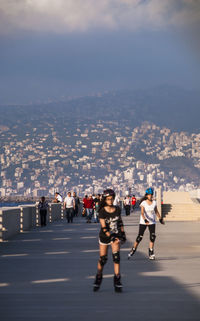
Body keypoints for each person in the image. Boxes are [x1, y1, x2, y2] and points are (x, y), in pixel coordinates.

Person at [93, 189, 126, 292]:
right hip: (104, 237)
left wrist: (123, 234)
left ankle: (117, 279)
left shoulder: (117, 209)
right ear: (105, 200)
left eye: (111, 199)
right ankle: (99, 277)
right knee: (103, 259)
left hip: (115, 236)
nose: (110, 201)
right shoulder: (102, 211)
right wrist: (110, 236)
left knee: (116, 258)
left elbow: (120, 222)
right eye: (108, 199)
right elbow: (104, 227)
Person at [128, 187, 164, 260]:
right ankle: (133, 249)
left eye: (151, 195)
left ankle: (151, 252)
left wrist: (160, 218)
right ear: (146, 195)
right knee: (139, 237)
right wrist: (145, 220)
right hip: (143, 222)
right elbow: (142, 213)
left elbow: (156, 211)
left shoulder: (154, 203)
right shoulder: (143, 203)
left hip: (152, 222)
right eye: (149, 195)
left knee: (152, 236)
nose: (151, 196)